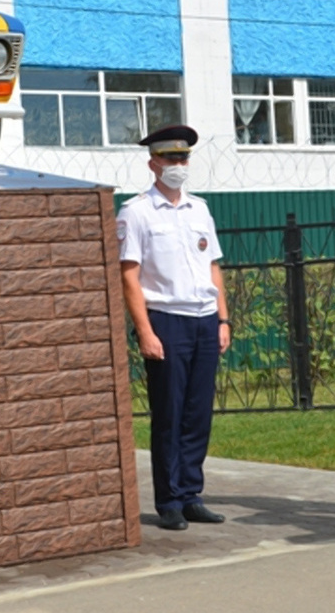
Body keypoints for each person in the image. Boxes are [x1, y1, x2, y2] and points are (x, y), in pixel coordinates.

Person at [117, 124, 231, 531]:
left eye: (183, 159)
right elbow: (130, 276)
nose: (178, 165)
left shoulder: (199, 209)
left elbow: (213, 266)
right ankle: (169, 500)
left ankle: (191, 493)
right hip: (166, 320)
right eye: (170, 159)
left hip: (203, 319)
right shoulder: (136, 212)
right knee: (170, 411)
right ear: (153, 164)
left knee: (198, 413)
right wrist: (145, 331)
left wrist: (222, 318)